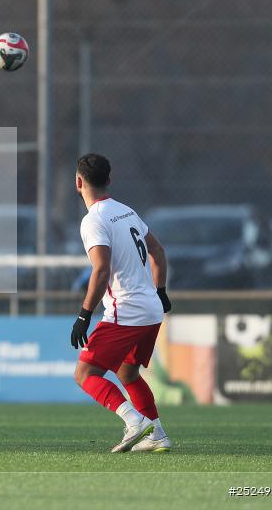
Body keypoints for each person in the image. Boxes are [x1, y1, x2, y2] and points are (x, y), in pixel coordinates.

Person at [70, 153, 173, 453]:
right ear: (109, 180)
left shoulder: (93, 220)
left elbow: (101, 269)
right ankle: (158, 435)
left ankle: (134, 421)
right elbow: (158, 251)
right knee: (127, 373)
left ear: (79, 182)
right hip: (151, 310)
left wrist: (84, 315)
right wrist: (161, 291)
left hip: (126, 312)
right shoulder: (126, 211)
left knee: (85, 375)